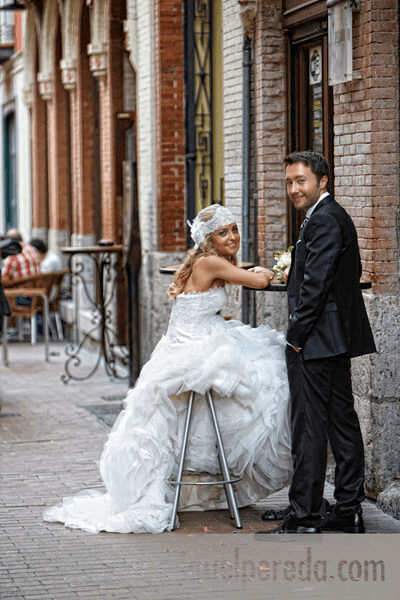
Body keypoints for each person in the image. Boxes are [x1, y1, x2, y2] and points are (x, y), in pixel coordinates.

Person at [43, 204, 293, 534]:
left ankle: (218, 476)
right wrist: (267, 270)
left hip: (193, 342)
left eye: (234, 229)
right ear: (208, 240)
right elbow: (259, 282)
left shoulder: (205, 262)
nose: (232, 236)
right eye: (223, 232)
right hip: (194, 351)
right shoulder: (211, 262)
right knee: (273, 373)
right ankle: (242, 469)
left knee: (261, 369)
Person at [261, 151, 376, 535]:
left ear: (322, 181)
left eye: (301, 181)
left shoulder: (325, 219)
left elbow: (316, 286)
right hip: (333, 338)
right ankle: (347, 510)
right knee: (342, 423)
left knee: (309, 428)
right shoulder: (328, 216)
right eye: (290, 182)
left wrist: (294, 338)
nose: (294, 188)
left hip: (316, 340)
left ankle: (306, 515)